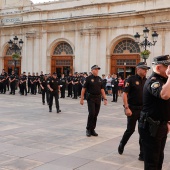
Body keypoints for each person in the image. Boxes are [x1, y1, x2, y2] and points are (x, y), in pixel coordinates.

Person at [139, 55, 170, 170]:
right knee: (152, 162)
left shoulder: (165, 81)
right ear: (158, 68)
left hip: (161, 125)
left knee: (159, 158)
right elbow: (165, 95)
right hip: (151, 127)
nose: (168, 69)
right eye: (166, 66)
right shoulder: (153, 81)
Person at [118, 62, 150, 161]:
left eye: (146, 69)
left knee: (143, 132)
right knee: (130, 130)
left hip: (143, 110)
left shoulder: (147, 81)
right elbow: (124, 94)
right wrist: (126, 107)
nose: (146, 71)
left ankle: (142, 154)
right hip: (132, 109)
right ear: (138, 69)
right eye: (144, 69)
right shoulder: (131, 79)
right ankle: (122, 144)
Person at [80, 65, 107, 137]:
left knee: (96, 114)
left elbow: (102, 89)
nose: (97, 71)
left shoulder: (99, 79)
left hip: (98, 98)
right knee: (92, 113)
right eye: (95, 69)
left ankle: (92, 129)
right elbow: (83, 89)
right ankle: (88, 129)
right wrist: (81, 98)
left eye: (98, 69)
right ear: (92, 70)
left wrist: (105, 99)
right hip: (91, 98)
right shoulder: (88, 78)